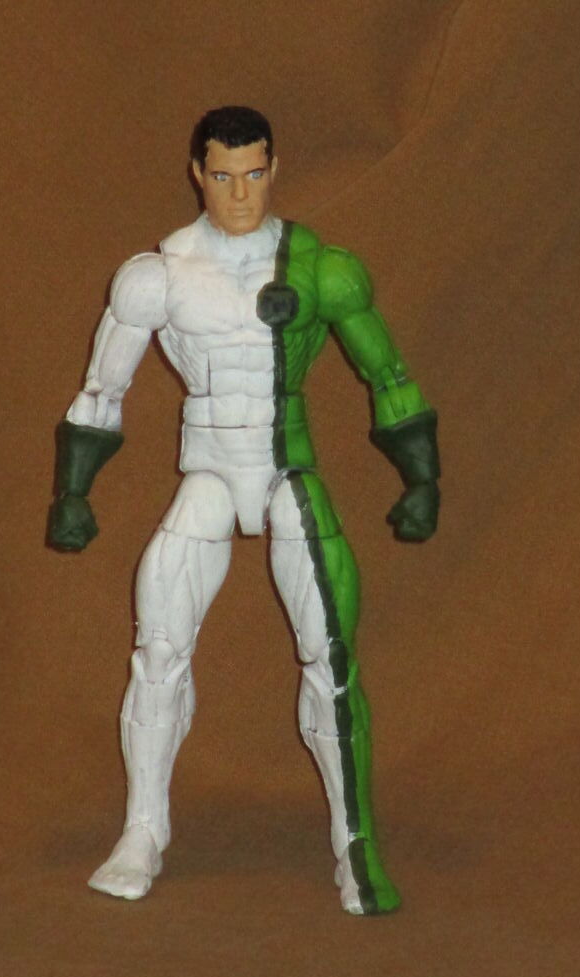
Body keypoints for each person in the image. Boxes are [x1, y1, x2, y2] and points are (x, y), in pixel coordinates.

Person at [49, 106, 440, 915]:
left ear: (274, 168)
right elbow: (102, 389)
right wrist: (73, 492)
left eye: (254, 174)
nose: (239, 194)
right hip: (209, 473)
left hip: (286, 467)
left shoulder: (319, 267)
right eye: (223, 176)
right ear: (198, 173)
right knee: (159, 644)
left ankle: (355, 843)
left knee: (331, 654)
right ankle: (143, 829)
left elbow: (389, 373)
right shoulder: (158, 274)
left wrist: (420, 475)